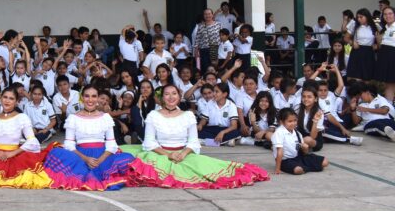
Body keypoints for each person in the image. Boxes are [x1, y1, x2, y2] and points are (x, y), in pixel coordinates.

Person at [123, 84, 268, 188]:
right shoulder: (153, 115)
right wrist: (169, 154)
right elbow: (149, 143)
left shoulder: (188, 116)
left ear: (179, 97)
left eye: (174, 94)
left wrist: (183, 153)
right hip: (159, 154)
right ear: (162, 98)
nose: (171, 97)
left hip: (184, 154)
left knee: (213, 173)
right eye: (167, 94)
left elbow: (193, 142)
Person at [43, 85, 134, 190]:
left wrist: (99, 161)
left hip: (102, 155)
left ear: (97, 98)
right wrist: (86, 159)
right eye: (87, 96)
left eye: (94, 96)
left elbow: (111, 145)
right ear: (82, 98)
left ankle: (99, 169)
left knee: (128, 158)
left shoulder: (105, 117)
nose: (90, 100)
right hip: (80, 156)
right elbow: (69, 144)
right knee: (56, 153)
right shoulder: (73, 118)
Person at [273, 108, 329, 175]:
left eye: (295, 120)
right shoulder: (279, 132)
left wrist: (305, 148)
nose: (293, 123)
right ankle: (310, 168)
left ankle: (306, 168)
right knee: (298, 170)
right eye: (290, 121)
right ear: (281, 122)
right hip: (286, 161)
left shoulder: (297, 133)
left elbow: (305, 153)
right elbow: (279, 151)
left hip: (299, 157)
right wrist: (277, 169)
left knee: (325, 162)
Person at [347, 8, 377, 80]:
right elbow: (346, 38)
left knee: (367, 76)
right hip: (357, 51)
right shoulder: (354, 25)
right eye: (357, 17)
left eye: (361, 17)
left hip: (369, 52)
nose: (359, 19)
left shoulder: (374, 26)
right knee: (355, 76)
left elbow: (380, 39)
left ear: (367, 16)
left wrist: (377, 45)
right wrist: (353, 43)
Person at [376, 7, 395, 100]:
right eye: (385, 14)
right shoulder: (384, 29)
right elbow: (380, 45)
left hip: (393, 56)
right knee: (389, 84)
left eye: (390, 13)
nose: (388, 16)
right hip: (385, 56)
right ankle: (390, 109)